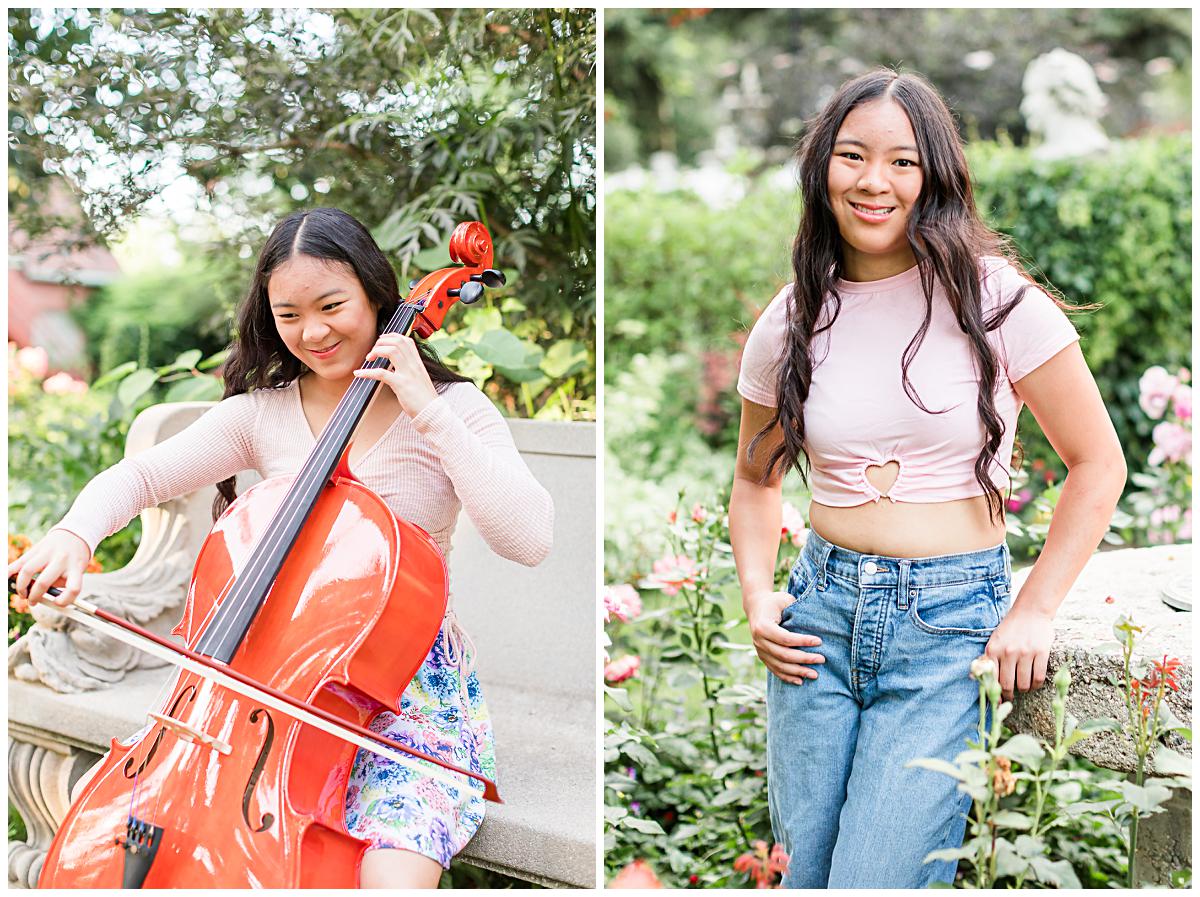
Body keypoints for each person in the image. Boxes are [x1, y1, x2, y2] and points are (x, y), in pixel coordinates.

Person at [8, 207, 554, 888]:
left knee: (392, 878)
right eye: (290, 314)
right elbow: (143, 476)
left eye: (332, 305)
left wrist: (426, 406)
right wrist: (72, 533)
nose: (314, 332)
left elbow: (529, 538)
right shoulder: (263, 413)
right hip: (262, 688)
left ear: (377, 296)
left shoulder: (453, 409)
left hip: (407, 704)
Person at [730, 69, 1125, 888]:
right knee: (802, 876)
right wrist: (758, 595)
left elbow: (1099, 465)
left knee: (877, 877)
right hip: (817, 624)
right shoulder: (793, 316)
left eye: (903, 162)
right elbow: (756, 479)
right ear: (822, 170)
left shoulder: (997, 302)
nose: (874, 181)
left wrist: (1036, 607)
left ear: (935, 176)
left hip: (945, 630)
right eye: (852, 156)